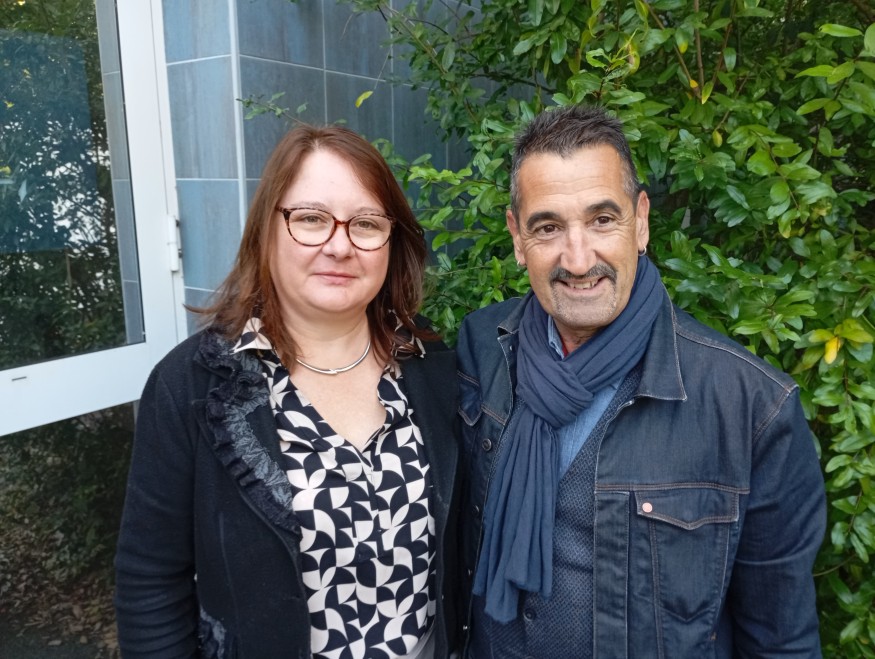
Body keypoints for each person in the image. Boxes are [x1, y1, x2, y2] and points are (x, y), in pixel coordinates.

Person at [456, 105, 826, 658]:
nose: (578, 259)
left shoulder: (752, 407)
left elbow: (781, 641)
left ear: (642, 220)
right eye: (548, 227)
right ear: (516, 237)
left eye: (602, 220)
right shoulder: (483, 347)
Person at [114, 124, 460, 658]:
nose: (339, 246)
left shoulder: (429, 365)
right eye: (311, 219)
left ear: (392, 242)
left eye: (366, 224)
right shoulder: (192, 386)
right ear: (266, 231)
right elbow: (150, 580)